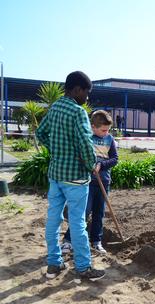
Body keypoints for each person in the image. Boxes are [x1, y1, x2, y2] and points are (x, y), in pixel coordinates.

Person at [35, 71, 105, 281]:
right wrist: (92, 164)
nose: (87, 97)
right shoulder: (78, 112)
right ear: (76, 90)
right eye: (86, 92)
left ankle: (54, 264)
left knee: (53, 220)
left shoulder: (55, 107)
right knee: (78, 223)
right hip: (75, 178)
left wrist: (57, 150)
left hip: (56, 175)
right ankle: (83, 268)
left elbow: (41, 134)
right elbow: (85, 143)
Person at [61, 110, 119, 255]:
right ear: (93, 126)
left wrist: (102, 165)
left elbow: (115, 159)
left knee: (99, 213)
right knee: (84, 212)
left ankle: (96, 241)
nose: (106, 133)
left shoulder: (109, 139)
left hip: (104, 181)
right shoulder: (86, 138)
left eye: (108, 130)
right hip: (86, 182)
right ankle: (68, 241)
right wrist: (90, 164)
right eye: (103, 130)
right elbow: (79, 156)